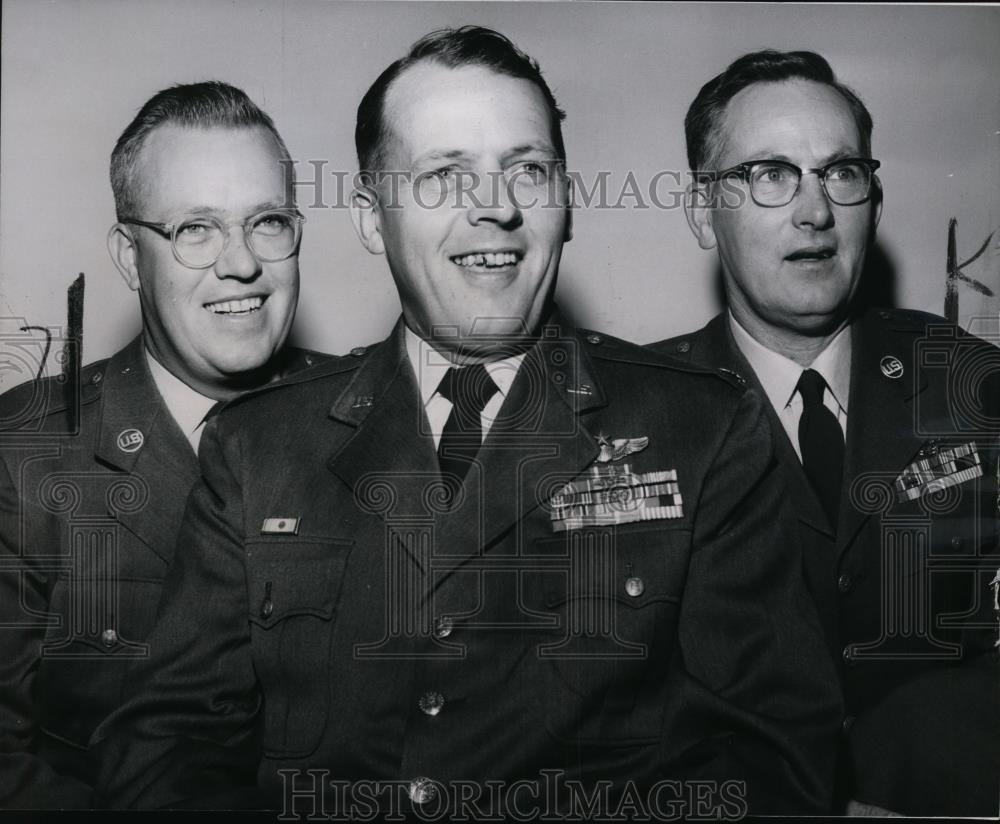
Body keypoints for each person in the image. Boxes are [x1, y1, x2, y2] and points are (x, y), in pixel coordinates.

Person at [94, 28, 840, 816]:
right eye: (445, 177)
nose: (496, 208)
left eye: (527, 171)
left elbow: (779, 764)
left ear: (567, 202)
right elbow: (164, 743)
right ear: (372, 218)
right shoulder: (258, 445)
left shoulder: (704, 428)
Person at [651, 49, 1000, 816]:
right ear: (701, 211)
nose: (814, 212)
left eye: (840, 173)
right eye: (770, 175)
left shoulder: (975, 385)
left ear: (873, 201)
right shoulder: (638, 416)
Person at [0, 81, 326, 807]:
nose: (240, 263)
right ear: (127, 255)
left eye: (267, 221)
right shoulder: (25, 456)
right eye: (195, 229)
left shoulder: (373, 420)